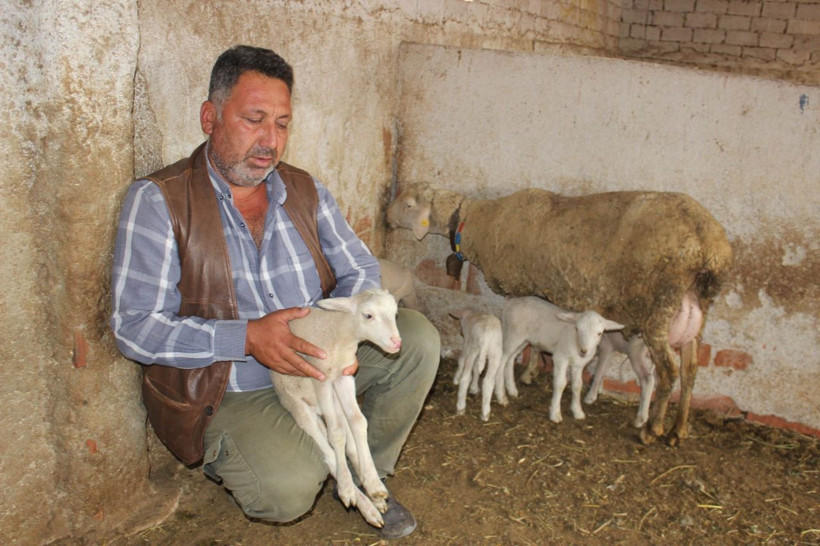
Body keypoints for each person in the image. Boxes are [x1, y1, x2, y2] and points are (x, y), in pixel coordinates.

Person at [110, 44, 440, 540]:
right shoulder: (160, 201)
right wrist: (245, 338)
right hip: (230, 387)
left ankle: (369, 476)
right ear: (210, 117)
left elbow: (359, 270)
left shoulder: (304, 190)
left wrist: (349, 336)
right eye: (254, 119)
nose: (270, 141)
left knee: (415, 342)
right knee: (285, 492)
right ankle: (307, 460)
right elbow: (134, 328)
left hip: (318, 359)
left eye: (282, 123)